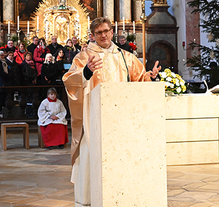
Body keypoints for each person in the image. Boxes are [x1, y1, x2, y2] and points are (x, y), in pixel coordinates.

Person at [62, 17, 161, 206]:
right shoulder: (84, 56)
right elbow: (69, 80)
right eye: (99, 32)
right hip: (94, 119)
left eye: (106, 31)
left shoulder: (125, 56)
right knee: (90, 152)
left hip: (120, 119)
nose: (103, 35)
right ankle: (88, 199)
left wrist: (151, 76)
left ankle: (118, 194)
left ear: (112, 31)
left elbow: (139, 81)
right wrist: (86, 73)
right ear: (93, 35)